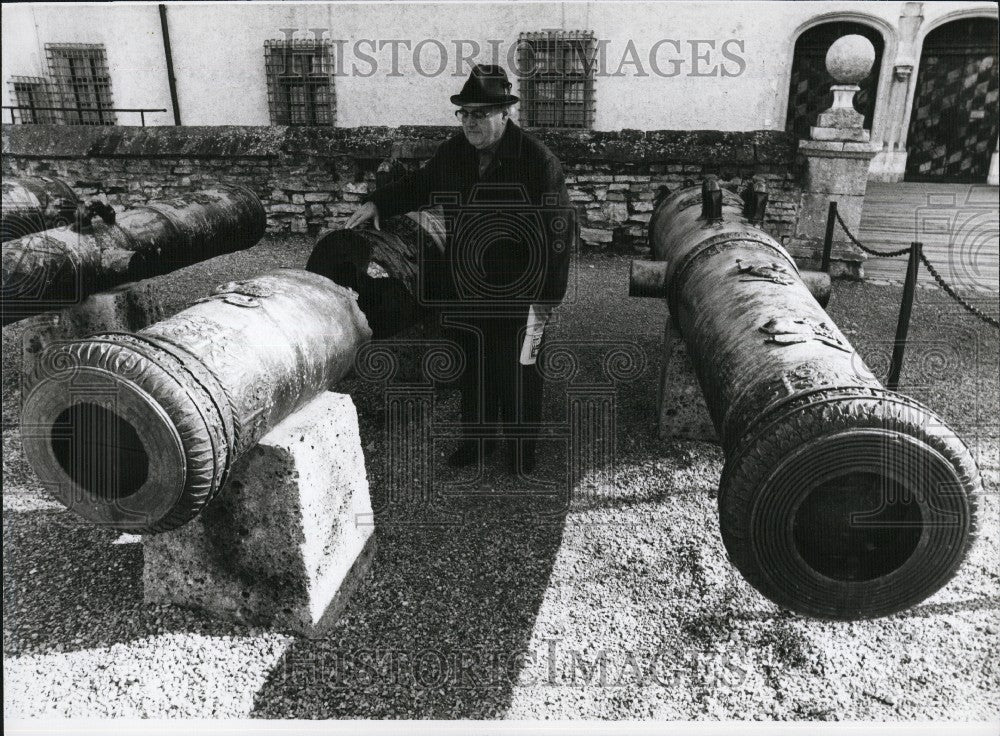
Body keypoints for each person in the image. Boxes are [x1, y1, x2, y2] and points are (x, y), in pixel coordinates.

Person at [344, 64, 574, 476]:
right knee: (474, 368)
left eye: (479, 114)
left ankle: (521, 451)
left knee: (520, 371)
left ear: (505, 113)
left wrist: (546, 301)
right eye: (464, 113)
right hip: (466, 286)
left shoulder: (537, 161)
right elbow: (420, 185)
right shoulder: (455, 153)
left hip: (520, 291)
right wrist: (379, 202)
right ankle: (477, 441)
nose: (469, 122)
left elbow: (559, 234)